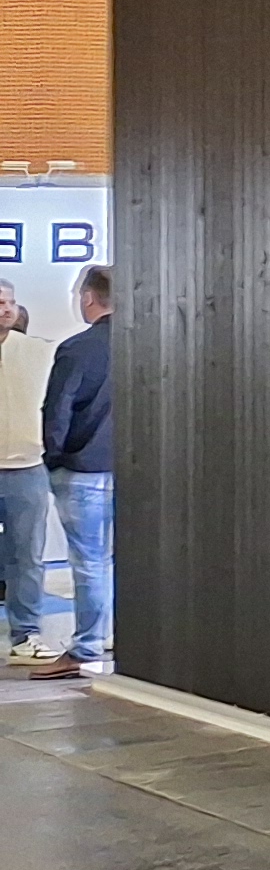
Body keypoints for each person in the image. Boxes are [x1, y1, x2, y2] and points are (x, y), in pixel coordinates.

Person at [32, 264, 110, 680]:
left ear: (88, 297)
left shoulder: (78, 349)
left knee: (89, 563)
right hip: (136, 469)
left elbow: (58, 409)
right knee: (127, 561)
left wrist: (54, 456)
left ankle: (86, 648)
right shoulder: (150, 344)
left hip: (82, 470)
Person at [0, 287, 50, 666]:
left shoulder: (39, 351)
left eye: (10, 302)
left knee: (27, 556)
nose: (6, 309)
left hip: (26, 468)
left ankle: (25, 634)